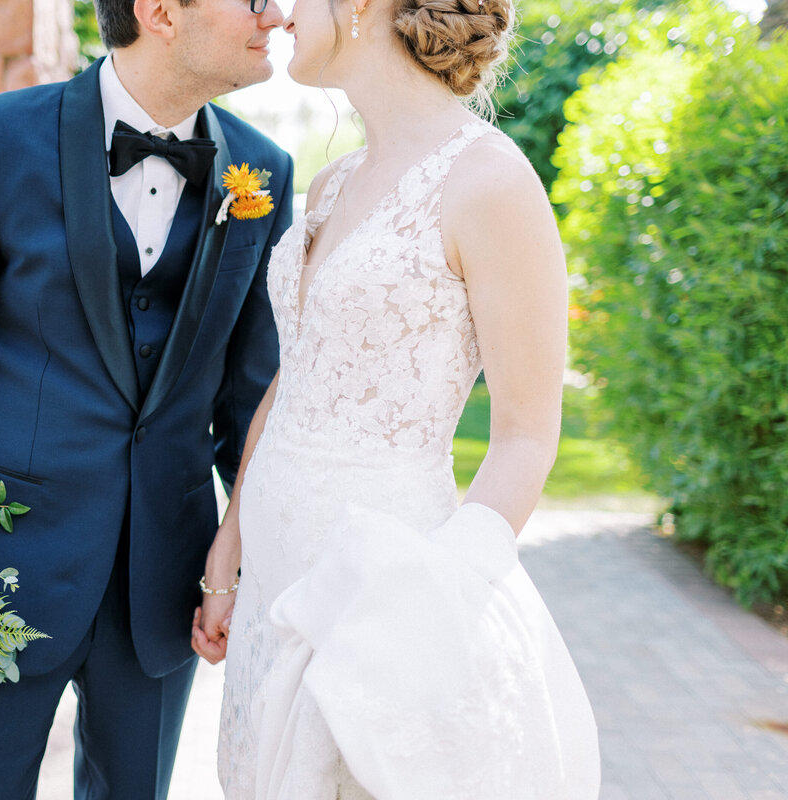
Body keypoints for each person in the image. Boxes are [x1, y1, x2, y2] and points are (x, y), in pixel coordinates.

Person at [0, 0, 294, 796]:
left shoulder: (266, 171)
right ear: (161, 12)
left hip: (163, 586)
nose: (275, 14)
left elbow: (249, 394)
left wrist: (256, 557)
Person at [190, 0, 602, 796]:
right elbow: (296, 375)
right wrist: (231, 540)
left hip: (383, 589)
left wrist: (433, 602)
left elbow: (526, 434)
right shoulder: (336, 180)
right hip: (276, 582)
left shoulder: (491, 182)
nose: (275, 12)